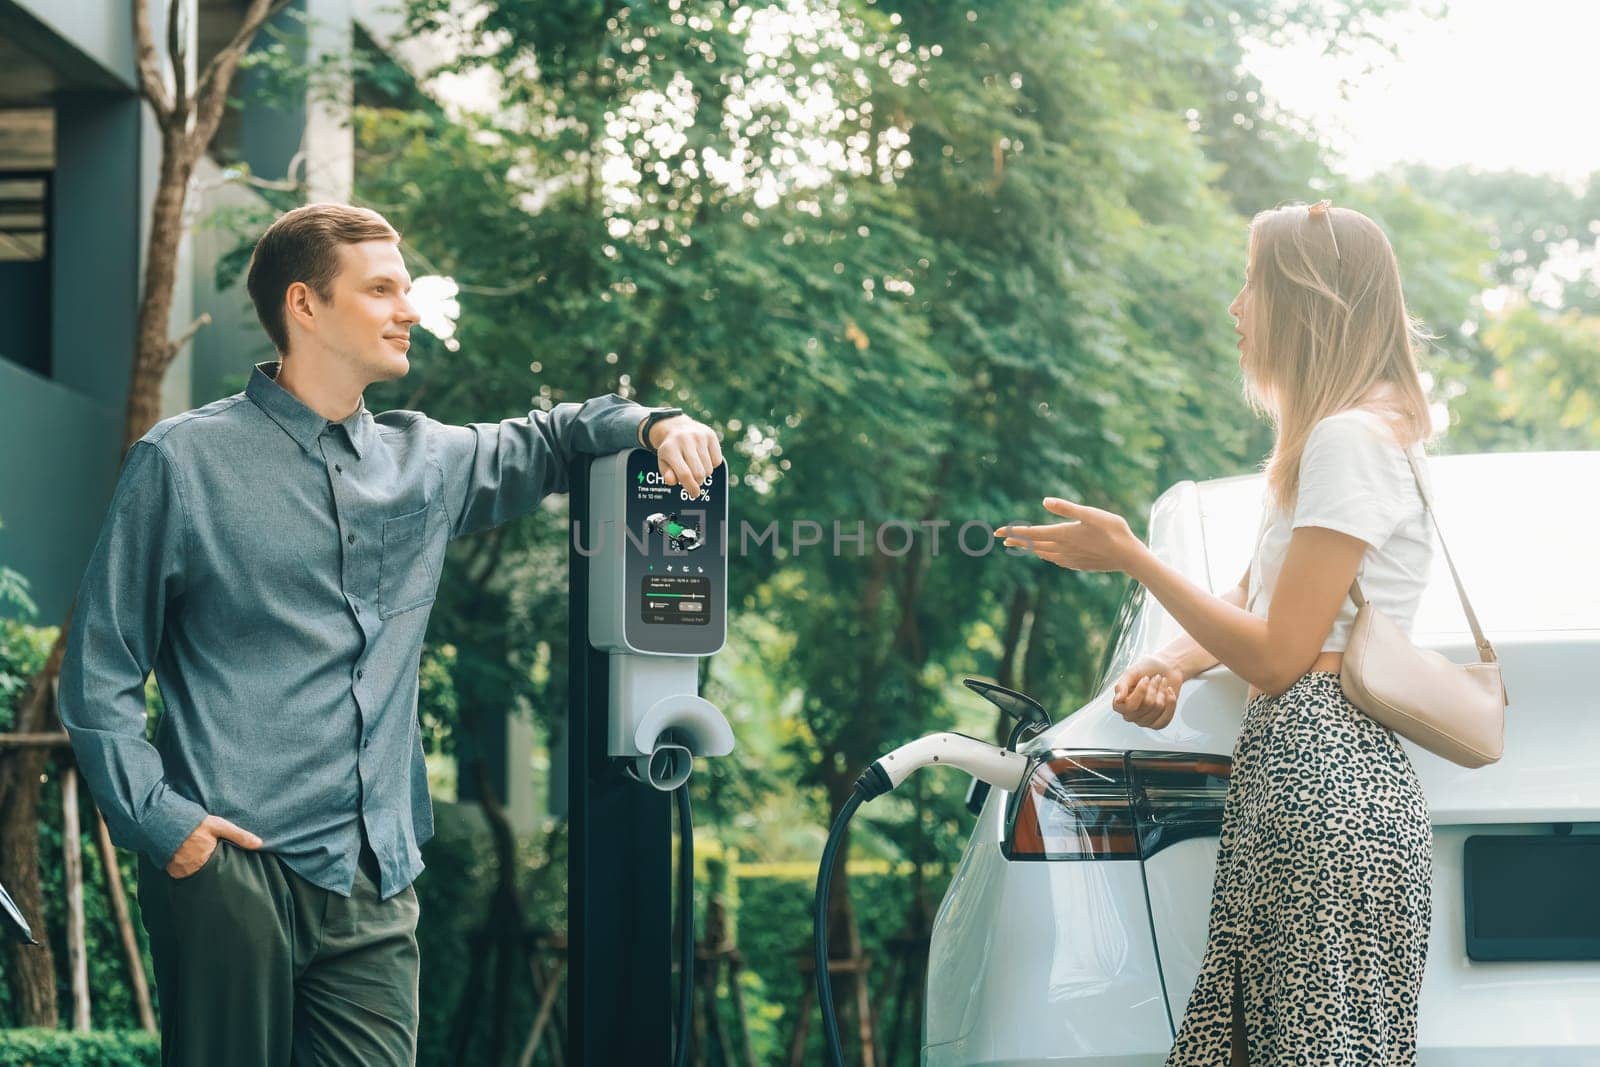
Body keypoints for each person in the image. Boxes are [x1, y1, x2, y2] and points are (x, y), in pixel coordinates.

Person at [57, 202, 723, 1066]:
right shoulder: (182, 462)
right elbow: (100, 669)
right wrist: (167, 825)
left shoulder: (428, 461)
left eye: (405, 289)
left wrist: (656, 423)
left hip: (376, 878)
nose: (408, 309)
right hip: (233, 865)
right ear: (305, 306)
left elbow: (555, 437)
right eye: (381, 290)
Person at [997, 199, 1435, 1064]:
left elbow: (1276, 656)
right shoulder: (1347, 435)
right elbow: (1258, 596)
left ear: (1307, 300)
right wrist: (1168, 660)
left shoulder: (1350, 439)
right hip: (1307, 786)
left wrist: (1132, 555)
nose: (1236, 307)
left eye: (1250, 284)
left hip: (1324, 788)